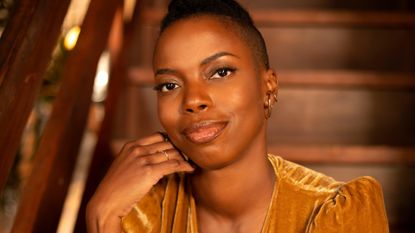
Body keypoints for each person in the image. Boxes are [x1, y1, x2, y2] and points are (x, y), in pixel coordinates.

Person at [86, 0, 389, 232]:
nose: (193, 100)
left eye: (220, 72)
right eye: (170, 84)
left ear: (267, 87)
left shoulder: (336, 212)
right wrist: (102, 216)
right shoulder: (141, 212)